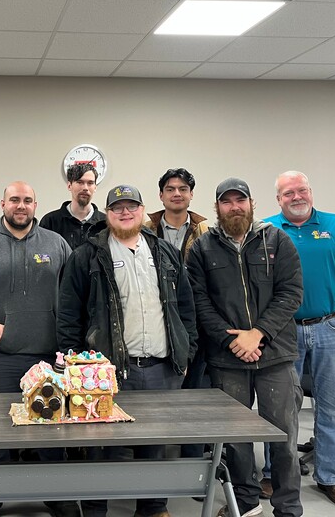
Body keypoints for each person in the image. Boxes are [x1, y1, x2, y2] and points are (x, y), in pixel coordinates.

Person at [58, 184, 197, 517]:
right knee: (101, 448)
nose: (124, 212)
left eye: (131, 206)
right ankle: (95, 510)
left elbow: (186, 308)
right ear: (108, 214)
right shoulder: (86, 256)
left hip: (162, 369)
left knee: (155, 444)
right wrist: (75, 366)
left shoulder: (164, 253)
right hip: (105, 372)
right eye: (117, 207)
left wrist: (186, 351)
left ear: (142, 210)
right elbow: (67, 315)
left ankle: (152, 507)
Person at [0, 181, 78, 517]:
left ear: (36, 205)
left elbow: (71, 296)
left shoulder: (57, 244)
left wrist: (67, 343)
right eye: (14, 200)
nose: (20, 206)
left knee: (53, 429)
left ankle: (57, 494)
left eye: (27, 200)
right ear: (3, 204)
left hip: (48, 357)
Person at [186, 177, 304, 517]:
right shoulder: (203, 248)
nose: (234, 207)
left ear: (252, 203)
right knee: (235, 440)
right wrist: (232, 338)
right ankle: (247, 503)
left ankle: (288, 508)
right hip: (227, 358)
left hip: (275, 356)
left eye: (241, 200)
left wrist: (259, 333)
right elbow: (199, 301)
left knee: (283, 438)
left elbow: (291, 292)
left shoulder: (277, 240)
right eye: (227, 202)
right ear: (217, 207)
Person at [261, 170, 335, 510]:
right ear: (278, 199)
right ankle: (275, 473)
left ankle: (329, 476)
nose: (296, 197)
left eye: (301, 190)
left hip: (331, 327)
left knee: (332, 405)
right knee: (280, 407)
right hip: (283, 331)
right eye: (287, 193)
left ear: (310, 192)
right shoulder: (266, 230)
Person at [144, 167, 210, 460]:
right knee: (155, 395)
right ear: (161, 195)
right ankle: (148, 457)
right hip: (156, 321)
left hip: (193, 318)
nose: (176, 194)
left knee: (194, 393)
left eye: (183, 189)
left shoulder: (206, 231)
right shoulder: (144, 229)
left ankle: (192, 460)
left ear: (191, 195)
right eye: (170, 189)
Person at [39, 163, 105, 249]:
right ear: (69, 185)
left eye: (90, 183)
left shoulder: (106, 223)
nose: (85, 188)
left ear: (95, 187)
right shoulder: (50, 222)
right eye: (80, 182)